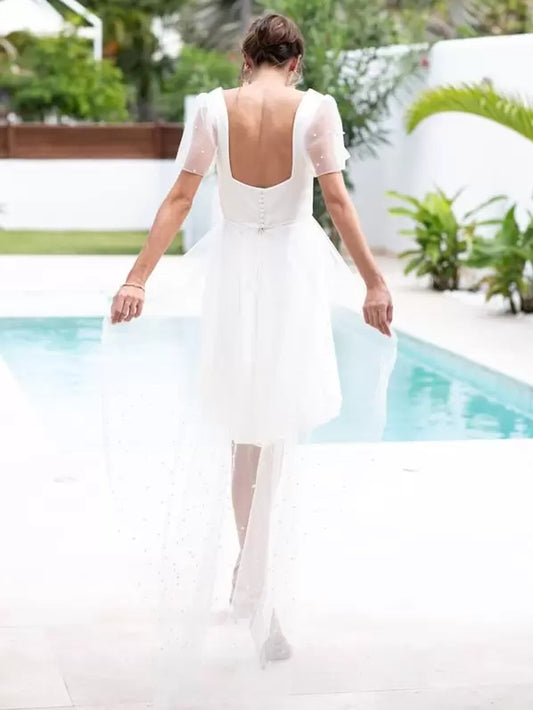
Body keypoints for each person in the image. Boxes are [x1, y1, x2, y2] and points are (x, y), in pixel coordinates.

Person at [101, 12, 397, 710]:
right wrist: (373, 283)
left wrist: (137, 279)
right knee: (277, 429)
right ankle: (261, 599)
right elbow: (336, 202)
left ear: (246, 57)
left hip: (234, 275)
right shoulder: (315, 110)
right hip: (290, 274)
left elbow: (180, 197)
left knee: (245, 431)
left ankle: (248, 578)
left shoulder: (212, 109)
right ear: (295, 63)